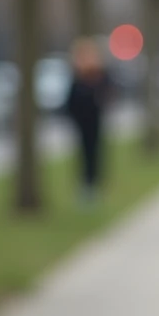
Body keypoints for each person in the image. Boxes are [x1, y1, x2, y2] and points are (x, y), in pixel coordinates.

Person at [64, 37, 112, 206]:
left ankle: (94, 187)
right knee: (83, 156)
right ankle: (86, 188)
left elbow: (107, 96)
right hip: (81, 124)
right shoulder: (77, 79)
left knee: (95, 155)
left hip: (95, 123)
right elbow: (70, 103)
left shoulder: (100, 76)